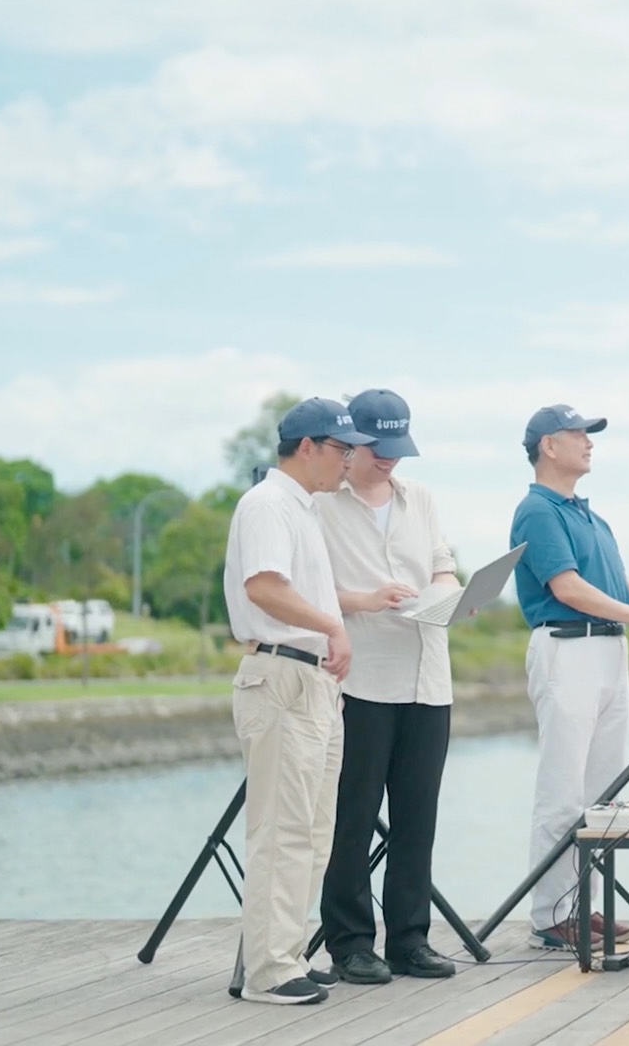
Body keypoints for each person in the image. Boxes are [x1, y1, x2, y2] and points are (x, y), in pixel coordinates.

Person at [510, 403, 629, 949]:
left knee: (599, 795)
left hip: (605, 652)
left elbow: (603, 584)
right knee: (563, 790)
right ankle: (550, 913)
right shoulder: (538, 511)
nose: (588, 442)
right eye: (577, 434)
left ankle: (580, 903)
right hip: (568, 648)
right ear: (548, 446)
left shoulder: (586, 512)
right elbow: (567, 589)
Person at [222, 397, 371, 1005]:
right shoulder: (267, 503)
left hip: (312, 683)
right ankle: (267, 971)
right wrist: (333, 629)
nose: (350, 460)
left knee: (312, 832)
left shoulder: (303, 509)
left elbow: (301, 588)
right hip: (282, 675)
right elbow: (264, 588)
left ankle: (285, 953)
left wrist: (342, 617)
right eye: (342, 449)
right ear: (307, 447)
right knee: (281, 831)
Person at [314, 388, 459, 985]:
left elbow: (442, 567)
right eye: (378, 450)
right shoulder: (319, 505)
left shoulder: (419, 498)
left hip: (429, 678)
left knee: (416, 818)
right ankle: (350, 943)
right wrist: (363, 600)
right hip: (362, 679)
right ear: (351, 443)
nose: (389, 461)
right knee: (351, 818)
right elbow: (306, 587)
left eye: (398, 450)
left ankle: (410, 940)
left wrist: (451, 595)